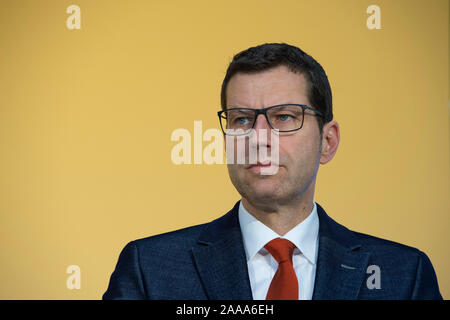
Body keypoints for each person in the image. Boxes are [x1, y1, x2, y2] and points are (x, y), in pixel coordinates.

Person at [103, 43, 442, 300]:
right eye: (241, 119)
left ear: (328, 141)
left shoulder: (403, 275)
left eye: (284, 117)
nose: (258, 137)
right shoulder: (149, 269)